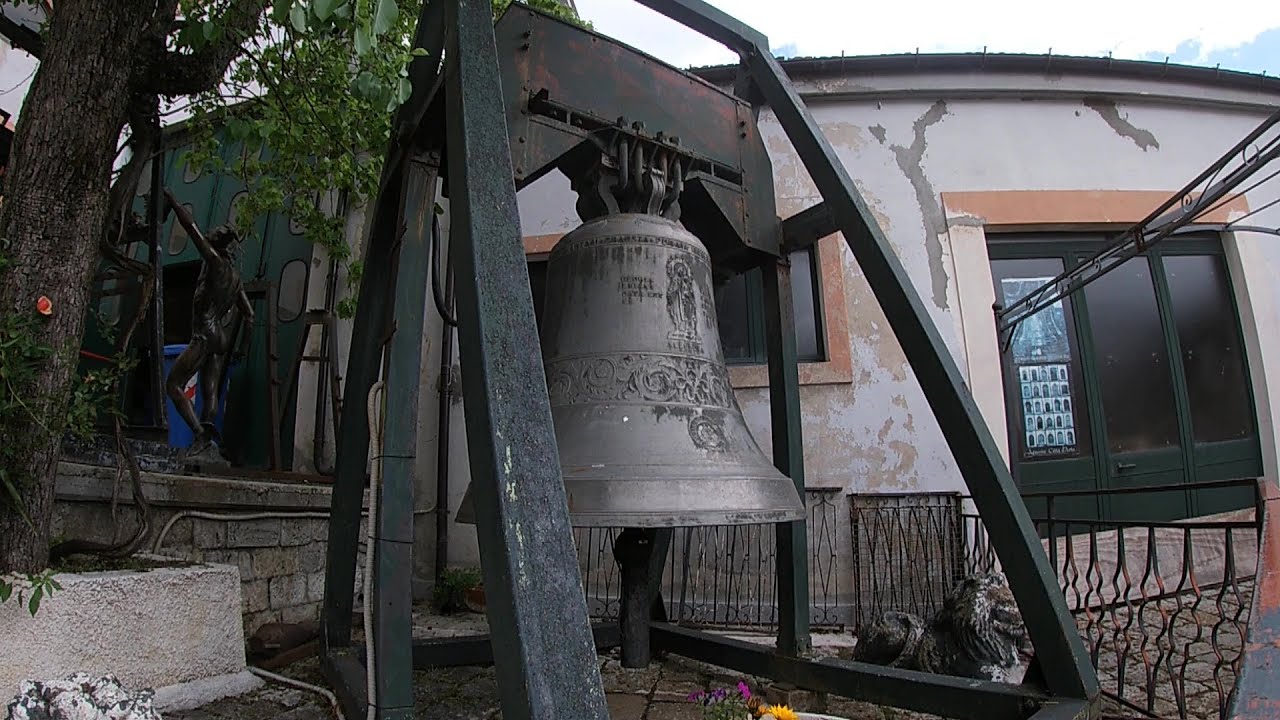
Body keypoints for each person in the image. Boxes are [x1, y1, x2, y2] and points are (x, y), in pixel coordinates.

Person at [163, 188, 253, 463]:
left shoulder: (213, 262)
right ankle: (208, 440)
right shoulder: (235, 278)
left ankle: (200, 433)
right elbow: (249, 315)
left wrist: (172, 198)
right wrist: (242, 348)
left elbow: (190, 228)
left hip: (204, 333)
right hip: (221, 337)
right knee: (210, 390)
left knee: (173, 385)